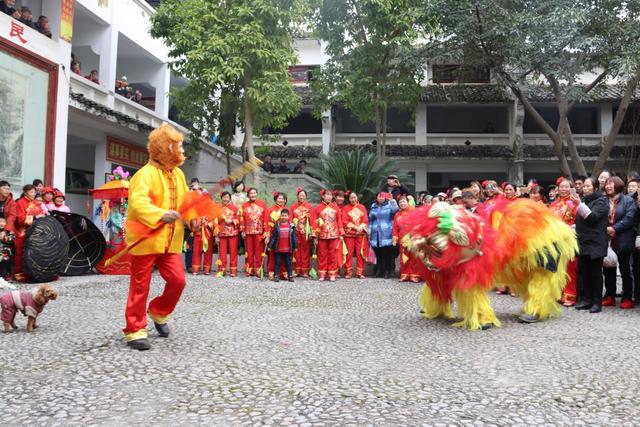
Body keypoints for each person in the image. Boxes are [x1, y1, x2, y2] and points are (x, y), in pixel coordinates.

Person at [122, 124, 195, 351]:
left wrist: (193, 218)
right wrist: (161, 214)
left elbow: (185, 202)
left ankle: (159, 311)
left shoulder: (179, 174)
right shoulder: (144, 175)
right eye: (178, 146)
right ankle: (135, 330)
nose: (181, 151)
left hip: (171, 240)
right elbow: (138, 203)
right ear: (165, 148)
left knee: (178, 280)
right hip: (146, 240)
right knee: (139, 286)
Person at [573, 177, 608, 313]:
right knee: (585, 272)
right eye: (584, 186)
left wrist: (579, 204)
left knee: (595, 273)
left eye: (588, 186)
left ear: (595, 187)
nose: (585, 188)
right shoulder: (585, 201)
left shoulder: (601, 201)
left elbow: (592, 218)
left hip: (596, 242)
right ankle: (587, 299)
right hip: (584, 242)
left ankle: (596, 302)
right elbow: (580, 222)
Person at [602, 176, 637, 309]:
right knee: (608, 268)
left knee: (625, 269)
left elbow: (629, 218)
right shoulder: (603, 201)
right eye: (606, 184)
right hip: (607, 240)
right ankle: (609, 296)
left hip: (623, 239)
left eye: (611, 184)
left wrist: (614, 228)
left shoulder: (628, 200)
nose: (608, 186)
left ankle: (627, 297)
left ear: (618, 185)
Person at [549, 178, 579, 306]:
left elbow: (578, 220)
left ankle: (570, 295)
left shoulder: (574, 203)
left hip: (568, 238)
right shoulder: (553, 204)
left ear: (571, 188)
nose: (563, 189)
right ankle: (558, 293)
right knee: (556, 267)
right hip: (554, 239)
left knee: (569, 267)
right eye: (561, 187)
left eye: (567, 187)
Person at [14, 185, 46, 281]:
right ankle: (19, 273)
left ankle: (33, 272)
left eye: (34, 192)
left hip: (35, 231)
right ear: (25, 192)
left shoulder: (35, 203)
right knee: (21, 252)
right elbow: (20, 219)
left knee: (35, 252)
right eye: (31, 192)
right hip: (23, 231)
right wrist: (35, 217)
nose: (33, 194)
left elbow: (40, 212)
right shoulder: (20, 203)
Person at [314, 189, 344, 281]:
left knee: (333, 254)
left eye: (331, 195)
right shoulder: (318, 208)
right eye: (327, 195)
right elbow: (315, 222)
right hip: (322, 235)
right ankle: (322, 273)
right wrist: (315, 235)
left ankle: (332, 273)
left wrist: (341, 233)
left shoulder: (335, 208)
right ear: (323, 196)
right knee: (322, 254)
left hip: (334, 235)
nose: (329, 197)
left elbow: (339, 221)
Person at [369, 192, 399, 279]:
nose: (381, 198)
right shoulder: (373, 206)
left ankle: (387, 271)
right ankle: (378, 271)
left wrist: (392, 200)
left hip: (386, 233)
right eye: (379, 196)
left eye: (382, 196)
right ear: (376, 197)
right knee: (378, 254)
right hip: (375, 233)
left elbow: (396, 210)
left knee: (387, 254)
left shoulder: (390, 205)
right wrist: (369, 230)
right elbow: (370, 219)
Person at [392, 194, 420, 282]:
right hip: (402, 239)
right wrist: (395, 238)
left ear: (407, 202)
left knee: (414, 257)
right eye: (400, 202)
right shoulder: (397, 214)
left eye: (403, 202)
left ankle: (414, 275)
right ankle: (405, 274)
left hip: (412, 238)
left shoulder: (414, 212)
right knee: (403, 257)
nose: (402, 204)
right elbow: (395, 227)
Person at [241, 188, 268, 277]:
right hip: (248, 232)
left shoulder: (263, 204)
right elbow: (242, 218)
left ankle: (258, 270)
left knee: (259, 252)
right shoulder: (244, 205)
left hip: (259, 232)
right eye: (251, 193)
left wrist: (266, 232)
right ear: (248, 195)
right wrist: (242, 230)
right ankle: (249, 270)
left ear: (256, 194)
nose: (253, 195)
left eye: (254, 193)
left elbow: (266, 218)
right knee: (249, 251)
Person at [342, 191, 368, 279]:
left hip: (360, 234)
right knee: (349, 253)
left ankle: (360, 272)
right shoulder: (345, 208)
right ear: (349, 199)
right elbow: (344, 221)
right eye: (351, 198)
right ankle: (348, 272)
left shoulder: (362, 207)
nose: (353, 199)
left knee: (360, 253)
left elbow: (365, 220)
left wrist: (360, 227)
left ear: (357, 197)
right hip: (349, 234)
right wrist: (355, 228)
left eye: (354, 197)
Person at [290, 188, 315, 278]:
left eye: (303, 195)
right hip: (296, 232)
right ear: (297, 196)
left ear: (306, 197)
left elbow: (313, 220)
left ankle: (304, 270)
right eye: (300, 195)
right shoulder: (293, 207)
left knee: (305, 251)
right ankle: (296, 270)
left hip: (306, 232)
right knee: (296, 251)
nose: (302, 197)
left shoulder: (310, 207)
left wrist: (312, 232)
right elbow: (290, 220)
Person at [267, 209, 297, 282]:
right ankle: (276, 275)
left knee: (289, 263)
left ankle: (290, 276)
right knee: (277, 263)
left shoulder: (292, 226)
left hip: (288, 249)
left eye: (285, 216)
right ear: (280, 216)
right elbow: (274, 237)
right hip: (278, 249)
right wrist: (270, 246)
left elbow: (294, 237)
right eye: (282, 215)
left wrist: (295, 246)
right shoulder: (277, 226)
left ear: (288, 216)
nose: (284, 217)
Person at [215, 192, 240, 277]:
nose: (226, 199)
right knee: (222, 253)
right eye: (224, 197)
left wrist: (232, 220)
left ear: (230, 198)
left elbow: (239, 218)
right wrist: (216, 235)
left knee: (233, 252)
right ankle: (222, 270)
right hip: (221, 234)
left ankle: (233, 270)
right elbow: (215, 222)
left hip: (233, 233)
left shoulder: (235, 208)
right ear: (221, 198)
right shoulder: (218, 208)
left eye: (227, 197)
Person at [266, 192, 289, 280]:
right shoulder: (270, 210)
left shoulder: (287, 210)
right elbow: (267, 223)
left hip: (285, 236)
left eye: (282, 198)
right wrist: (267, 235)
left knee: (285, 254)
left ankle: (284, 272)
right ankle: (271, 272)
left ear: (285, 200)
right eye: (279, 198)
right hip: (274, 236)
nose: (281, 200)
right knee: (272, 255)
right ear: (275, 199)